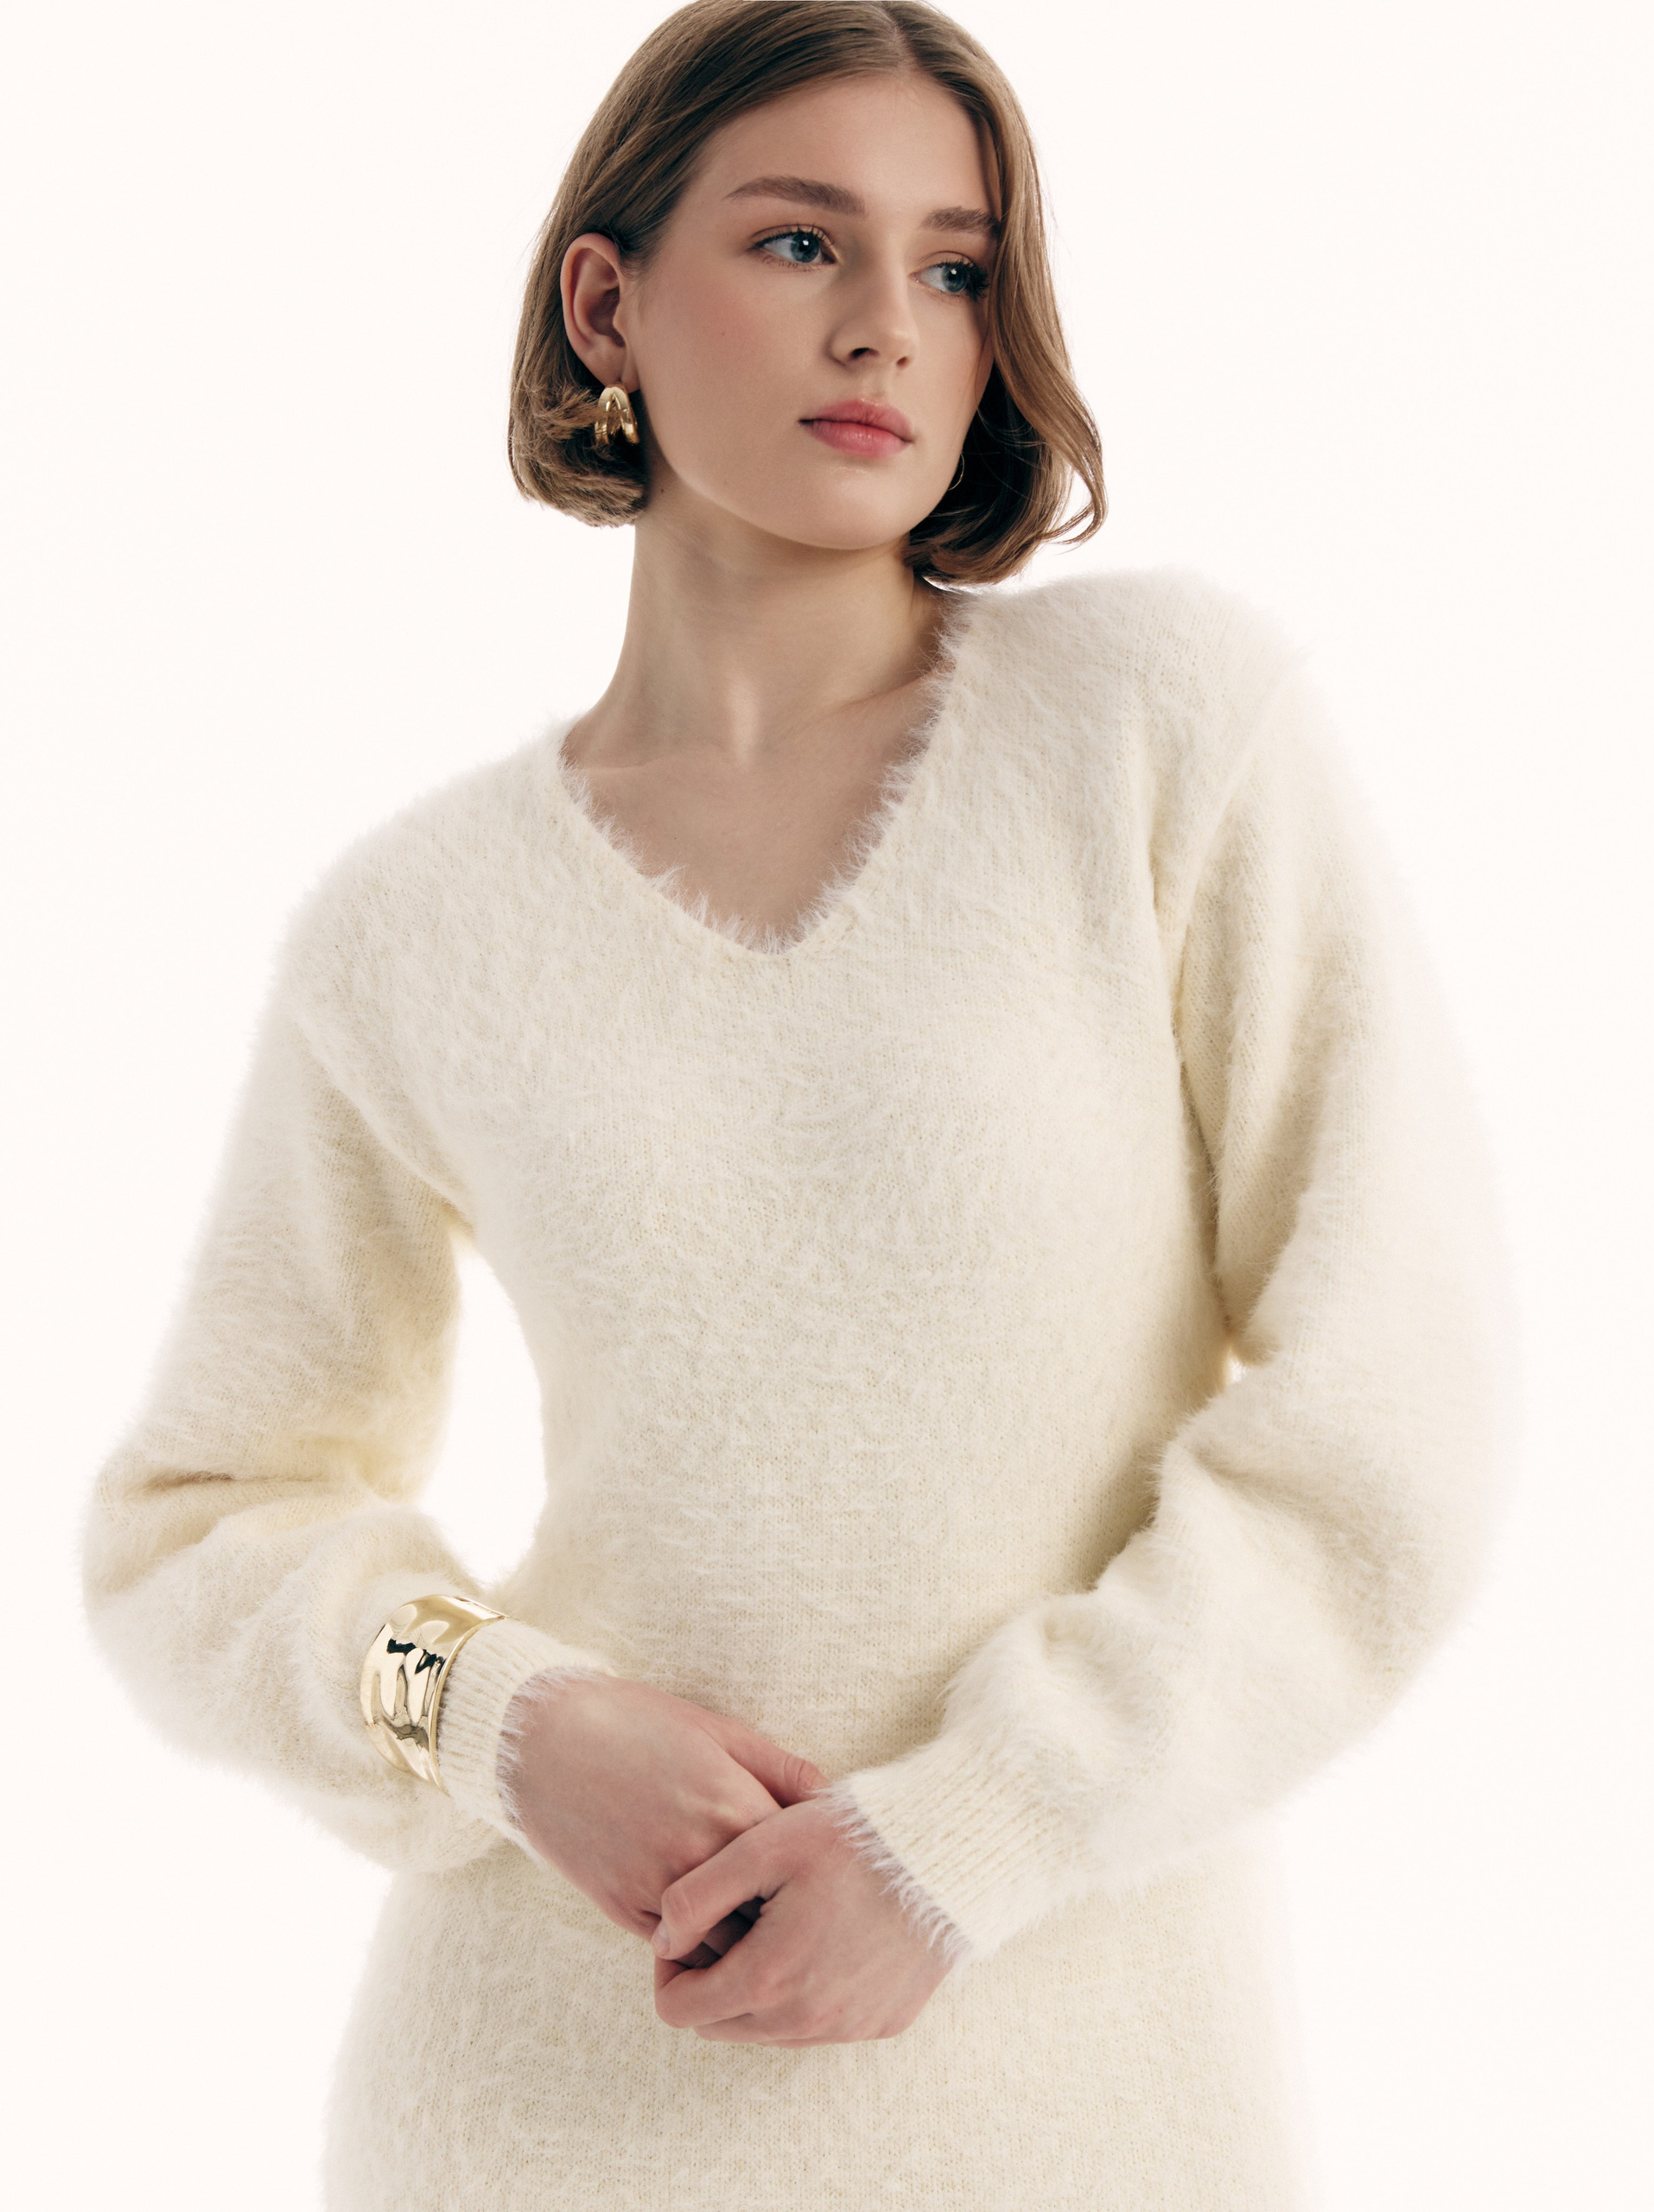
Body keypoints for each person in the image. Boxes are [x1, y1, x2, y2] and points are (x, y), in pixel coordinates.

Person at [80, 3, 1516, 2207]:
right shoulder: (412, 925)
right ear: (605, 305)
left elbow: (1393, 1413)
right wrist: (498, 1715)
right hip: (535, 2096)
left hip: (1085, 2091)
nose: (887, 324)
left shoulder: (1161, 735)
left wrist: (970, 1834)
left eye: (957, 265)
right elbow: (199, 1520)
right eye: (796, 241)